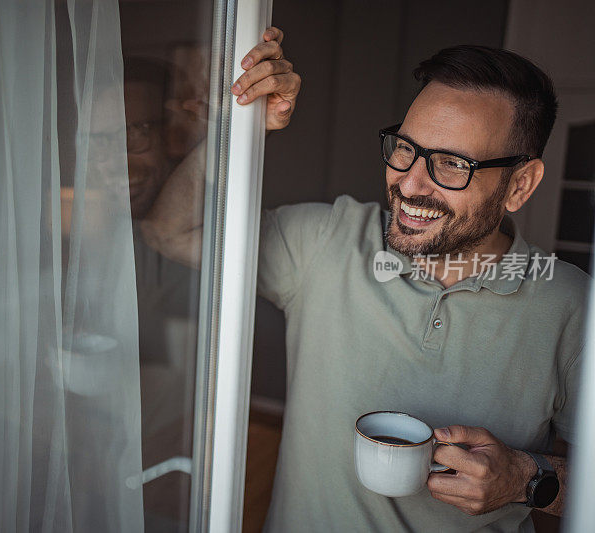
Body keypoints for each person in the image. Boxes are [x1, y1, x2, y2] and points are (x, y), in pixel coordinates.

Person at [141, 27, 589, 531]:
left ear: (520, 185)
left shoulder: (573, 306)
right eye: (406, 148)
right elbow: (170, 231)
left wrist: (528, 478)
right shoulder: (328, 239)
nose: (411, 183)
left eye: (452, 164)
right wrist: (241, 130)